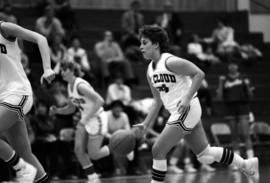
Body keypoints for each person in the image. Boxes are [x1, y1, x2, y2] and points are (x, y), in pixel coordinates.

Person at [134, 25, 259, 183]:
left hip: (188, 107)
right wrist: (145, 124)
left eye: (145, 43)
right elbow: (157, 100)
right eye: (141, 43)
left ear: (156, 44)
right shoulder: (149, 71)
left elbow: (199, 74)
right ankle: (247, 164)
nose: (141, 47)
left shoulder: (170, 61)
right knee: (205, 155)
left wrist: (186, 98)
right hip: (179, 112)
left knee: (158, 150)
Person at [0, 21, 55, 182]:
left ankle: (21, 169)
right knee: (24, 153)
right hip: (3, 98)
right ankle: (27, 170)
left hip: (18, 93)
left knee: (23, 163)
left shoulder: (4, 28)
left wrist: (47, 69)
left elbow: (40, 39)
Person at [49, 61, 110, 183]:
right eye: (61, 70)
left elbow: (100, 100)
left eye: (64, 70)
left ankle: (117, 146)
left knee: (94, 154)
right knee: (78, 150)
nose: (61, 73)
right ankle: (93, 178)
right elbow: (71, 108)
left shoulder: (80, 85)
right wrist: (58, 111)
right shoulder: (69, 86)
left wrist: (86, 118)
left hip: (96, 118)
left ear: (72, 71)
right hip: (85, 119)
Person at [216, 62, 255, 170]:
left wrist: (247, 85)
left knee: (246, 134)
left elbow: (251, 95)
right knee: (234, 136)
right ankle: (237, 162)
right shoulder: (224, 79)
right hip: (230, 108)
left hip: (243, 107)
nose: (232, 66)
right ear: (228, 67)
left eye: (234, 64)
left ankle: (250, 160)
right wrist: (220, 82)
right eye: (230, 65)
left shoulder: (244, 77)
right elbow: (219, 97)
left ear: (237, 66)